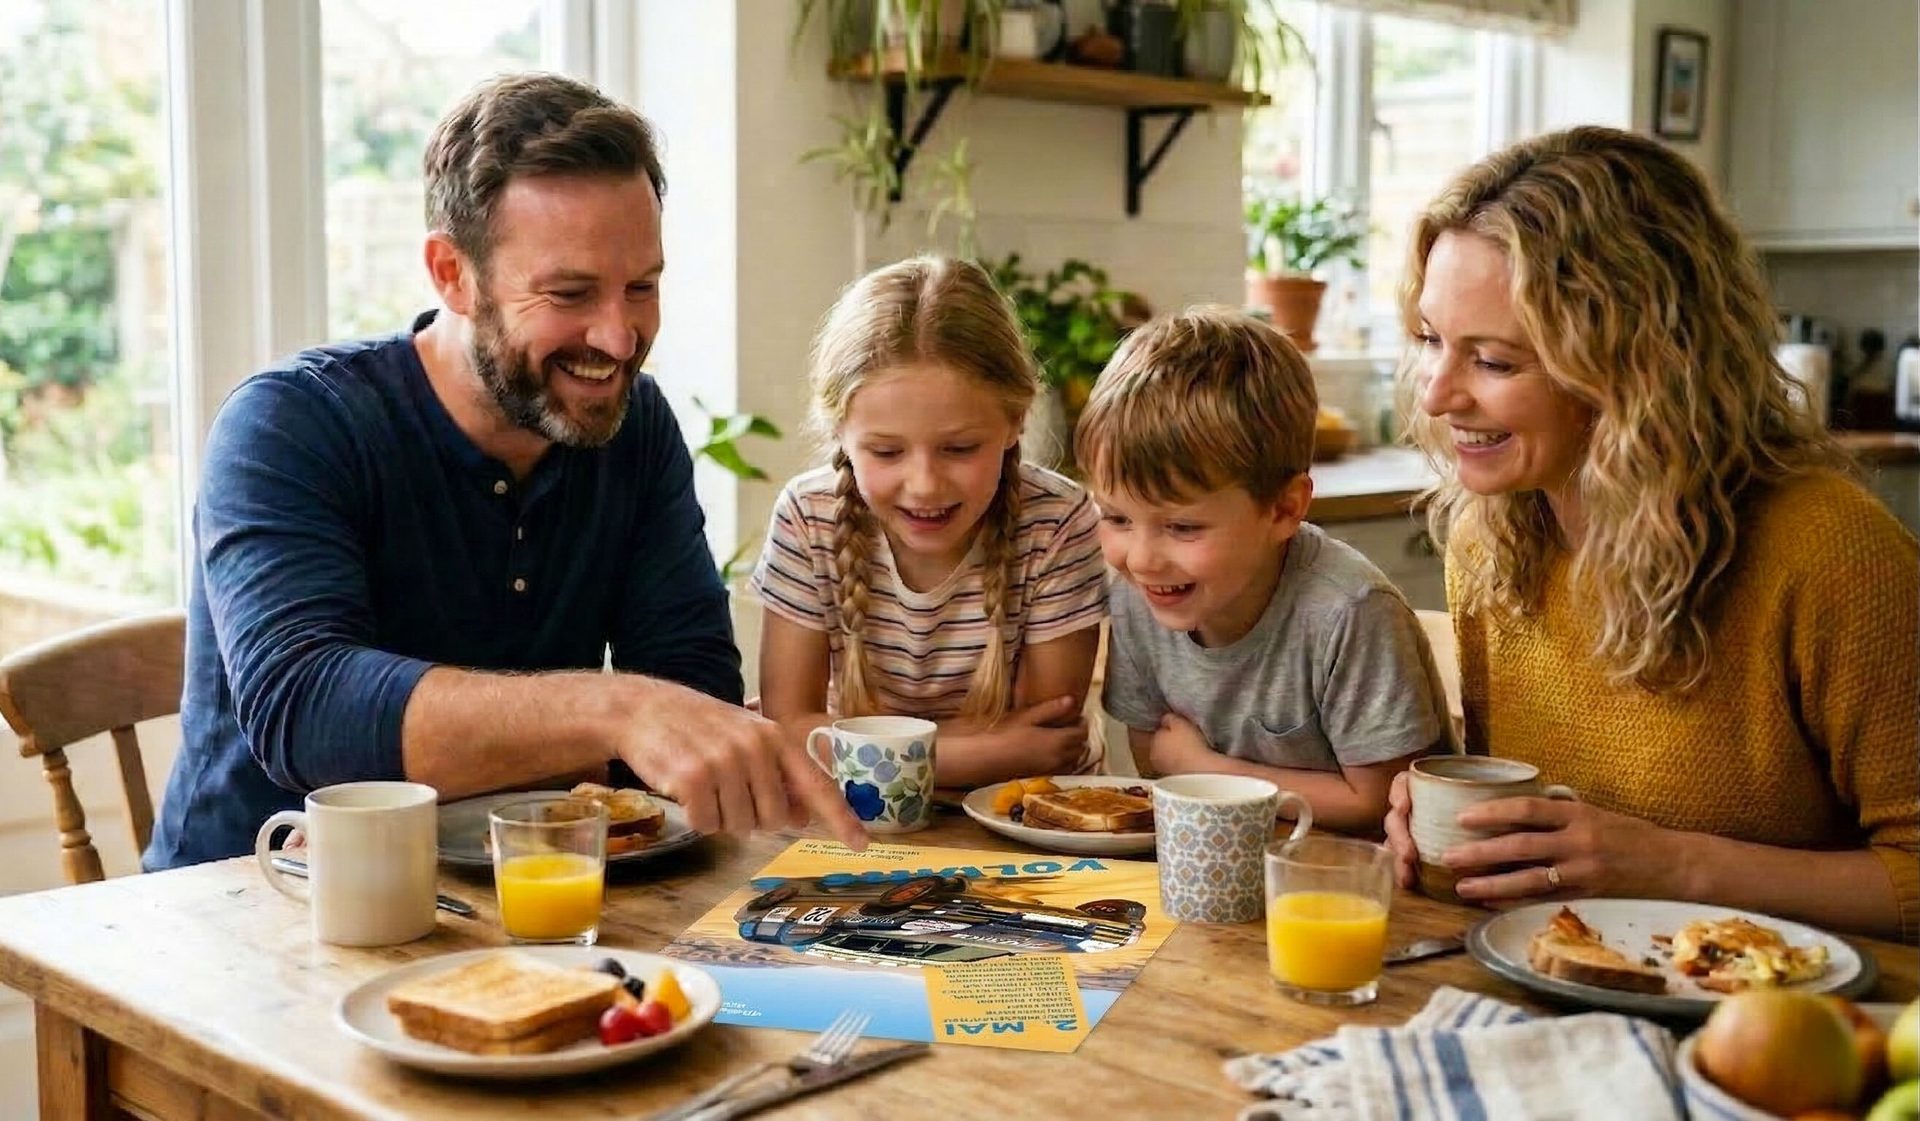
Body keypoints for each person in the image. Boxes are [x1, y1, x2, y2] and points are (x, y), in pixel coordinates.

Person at [146, 73, 862, 870]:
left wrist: (650, 726)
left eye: (642, 287)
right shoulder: (292, 423)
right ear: (453, 273)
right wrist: (614, 711)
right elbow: (309, 713)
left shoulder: (635, 426)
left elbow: (690, 692)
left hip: (523, 900)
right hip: (249, 909)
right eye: (570, 292)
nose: (620, 339)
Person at [1380, 125, 1919, 940]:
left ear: (1636, 366)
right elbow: (1555, 824)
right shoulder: (1491, 539)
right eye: (1430, 340)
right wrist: (1458, 822)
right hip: (1565, 991)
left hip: (1786, 1032)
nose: (1435, 395)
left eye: (1493, 361)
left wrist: (1676, 867)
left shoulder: (1831, 553)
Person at [1074, 307, 1447, 834]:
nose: (1140, 558)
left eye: (1182, 527)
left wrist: (1208, 769)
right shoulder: (1141, 598)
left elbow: (1377, 803)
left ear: (1283, 510)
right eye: (1116, 518)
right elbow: (1154, 758)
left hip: (1349, 888)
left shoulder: (1348, 613)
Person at [753, 256, 1107, 788]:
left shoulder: (1057, 522)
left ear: (1016, 419)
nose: (924, 484)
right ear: (840, 431)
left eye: (959, 448)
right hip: (859, 823)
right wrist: (970, 751)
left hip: (1023, 818)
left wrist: (846, 742)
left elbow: (1045, 745)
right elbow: (788, 729)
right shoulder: (809, 518)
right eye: (887, 451)